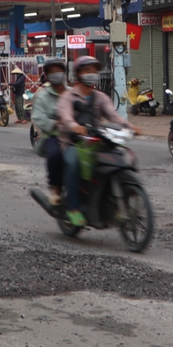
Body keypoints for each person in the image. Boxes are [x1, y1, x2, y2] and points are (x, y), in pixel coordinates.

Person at [57, 56, 140, 226]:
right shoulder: (68, 96)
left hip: (94, 140)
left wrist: (129, 126)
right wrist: (74, 126)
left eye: (94, 71)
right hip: (73, 143)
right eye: (87, 71)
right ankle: (73, 208)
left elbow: (113, 115)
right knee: (74, 163)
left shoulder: (100, 97)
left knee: (118, 158)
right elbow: (65, 115)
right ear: (79, 74)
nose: (91, 74)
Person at [29, 58, 71, 205]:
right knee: (55, 154)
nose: (56, 74)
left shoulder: (73, 93)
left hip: (75, 134)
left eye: (59, 70)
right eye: (52, 71)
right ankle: (56, 190)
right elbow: (38, 118)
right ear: (46, 75)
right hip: (53, 135)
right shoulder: (42, 96)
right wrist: (56, 123)